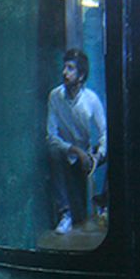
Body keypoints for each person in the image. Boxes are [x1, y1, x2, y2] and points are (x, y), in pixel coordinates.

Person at [45, 48, 107, 234]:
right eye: (65, 67)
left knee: (116, 150)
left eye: (71, 69)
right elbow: (51, 136)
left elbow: (105, 132)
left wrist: (96, 156)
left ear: (81, 75)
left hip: (88, 154)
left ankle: (106, 205)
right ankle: (65, 214)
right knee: (52, 152)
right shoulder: (55, 96)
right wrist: (74, 150)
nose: (65, 73)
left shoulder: (91, 100)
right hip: (67, 154)